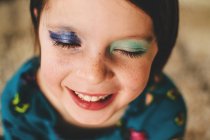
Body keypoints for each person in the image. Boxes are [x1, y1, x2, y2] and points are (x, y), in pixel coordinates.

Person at [1, 0, 187, 139]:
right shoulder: (20, 99)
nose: (93, 75)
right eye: (66, 42)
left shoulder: (164, 113)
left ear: (159, 45)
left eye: (128, 50)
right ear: (37, 18)